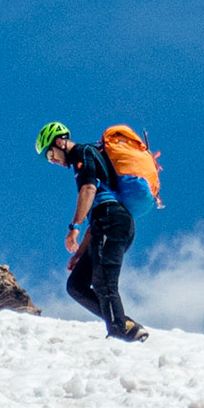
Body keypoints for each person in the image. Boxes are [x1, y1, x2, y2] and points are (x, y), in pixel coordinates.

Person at [35, 121, 149, 342]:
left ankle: (120, 333)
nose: (53, 161)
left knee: (104, 282)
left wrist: (73, 229)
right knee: (76, 285)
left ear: (59, 142)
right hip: (107, 223)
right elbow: (94, 217)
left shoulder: (83, 153)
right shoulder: (85, 157)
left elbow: (89, 189)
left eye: (50, 155)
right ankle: (126, 325)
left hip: (112, 221)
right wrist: (79, 255)